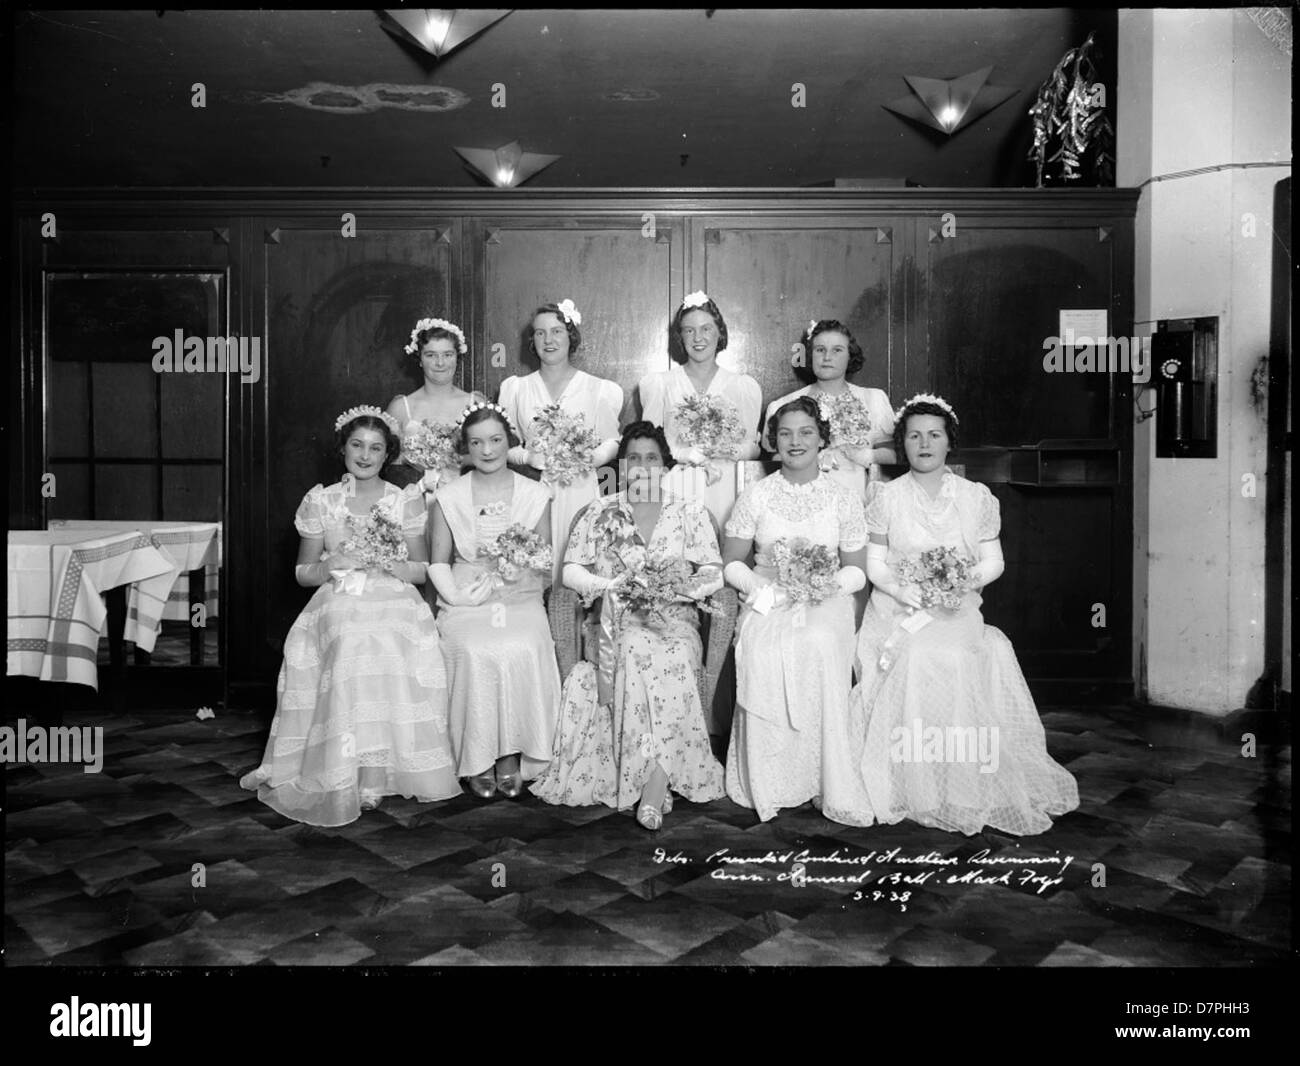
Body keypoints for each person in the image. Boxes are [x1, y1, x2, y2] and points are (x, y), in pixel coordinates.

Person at [851, 394, 1080, 835]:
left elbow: (994, 562)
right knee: (916, 656)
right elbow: (875, 564)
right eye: (914, 436)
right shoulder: (886, 496)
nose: (924, 444)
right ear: (903, 444)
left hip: (957, 606)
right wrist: (910, 591)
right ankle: (916, 782)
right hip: (898, 607)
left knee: (954, 655)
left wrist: (959, 583)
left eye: (934, 435)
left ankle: (960, 782)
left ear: (948, 443)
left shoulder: (977, 497)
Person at [240, 406, 460, 826]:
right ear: (343, 447)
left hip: (392, 594)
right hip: (339, 594)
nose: (365, 455)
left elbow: (421, 569)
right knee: (349, 637)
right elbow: (303, 574)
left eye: (376, 448)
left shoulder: (404, 501)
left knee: (386, 640)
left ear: (388, 454)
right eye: (357, 445)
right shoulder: (321, 500)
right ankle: (344, 768)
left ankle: (375, 774)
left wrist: (391, 564)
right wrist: (332, 563)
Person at [530, 422, 726, 829]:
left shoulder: (688, 512)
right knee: (636, 648)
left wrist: (681, 587)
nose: (642, 466)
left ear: (666, 465)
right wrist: (612, 586)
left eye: (651, 458)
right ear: (621, 466)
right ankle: (652, 780)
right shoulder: (600, 513)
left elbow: (714, 573)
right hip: (616, 623)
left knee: (671, 651)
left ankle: (655, 783)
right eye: (633, 458)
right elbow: (570, 572)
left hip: (674, 620)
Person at [722, 396, 873, 825]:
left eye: (806, 431)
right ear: (774, 442)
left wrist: (819, 586)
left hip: (825, 598)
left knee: (821, 642)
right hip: (768, 596)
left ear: (822, 438)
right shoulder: (757, 495)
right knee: (763, 650)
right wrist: (761, 590)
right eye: (785, 433)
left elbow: (857, 574)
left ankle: (821, 775)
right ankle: (773, 777)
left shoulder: (843, 498)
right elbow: (731, 562)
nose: (795, 441)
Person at [427, 401, 561, 799]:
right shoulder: (448, 495)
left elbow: (544, 557)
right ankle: (477, 757)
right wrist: (457, 597)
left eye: (495, 440)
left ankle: (511, 753)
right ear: (466, 447)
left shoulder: (536, 493)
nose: (487, 450)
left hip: (518, 593)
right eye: (477, 442)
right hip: (467, 592)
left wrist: (520, 569)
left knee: (521, 644)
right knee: (471, 647)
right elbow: (437, 561)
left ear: (509, 442)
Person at [498, 299, 623, 584]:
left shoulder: (598, 389)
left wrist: (592, 458)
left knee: (578, 566)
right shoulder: (517, 389)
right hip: (533, 489)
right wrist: (527, 458)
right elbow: (503, 447)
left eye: (556, 331)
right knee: (534, 566)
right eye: (540, 333)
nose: (548, 340)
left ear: (570, 336)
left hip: (580, 487)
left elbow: (613, 441)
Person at [639, 291, 763, 528]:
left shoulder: (743, 386)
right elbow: (649, 448)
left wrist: (729, 449)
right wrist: (681, 454)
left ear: (720, 333)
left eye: (706, 329)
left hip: (725, 486)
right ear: (681, 337)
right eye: (689, 330)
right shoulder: (660, 384)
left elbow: (752, 448)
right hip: (677, 485)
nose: (698, 337)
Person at [764, 319, 896, 503]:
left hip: (858, 498)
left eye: (837, 350)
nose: (827, 357)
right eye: (820, 350)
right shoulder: (785, 405)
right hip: (803, 498)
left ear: (850, 355)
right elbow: (776, 459)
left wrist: (865, 455)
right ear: (810, 355)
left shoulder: (873, 399)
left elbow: (893, 456)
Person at [386, 316, 486, 499]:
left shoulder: (475, 403)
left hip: (466, 498)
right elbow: (388, 467)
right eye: (431, 355)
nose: (440, 363)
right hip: (416, 501)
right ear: (419, 359)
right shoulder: (401, 407)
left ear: (457, 358)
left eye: (448, 355)